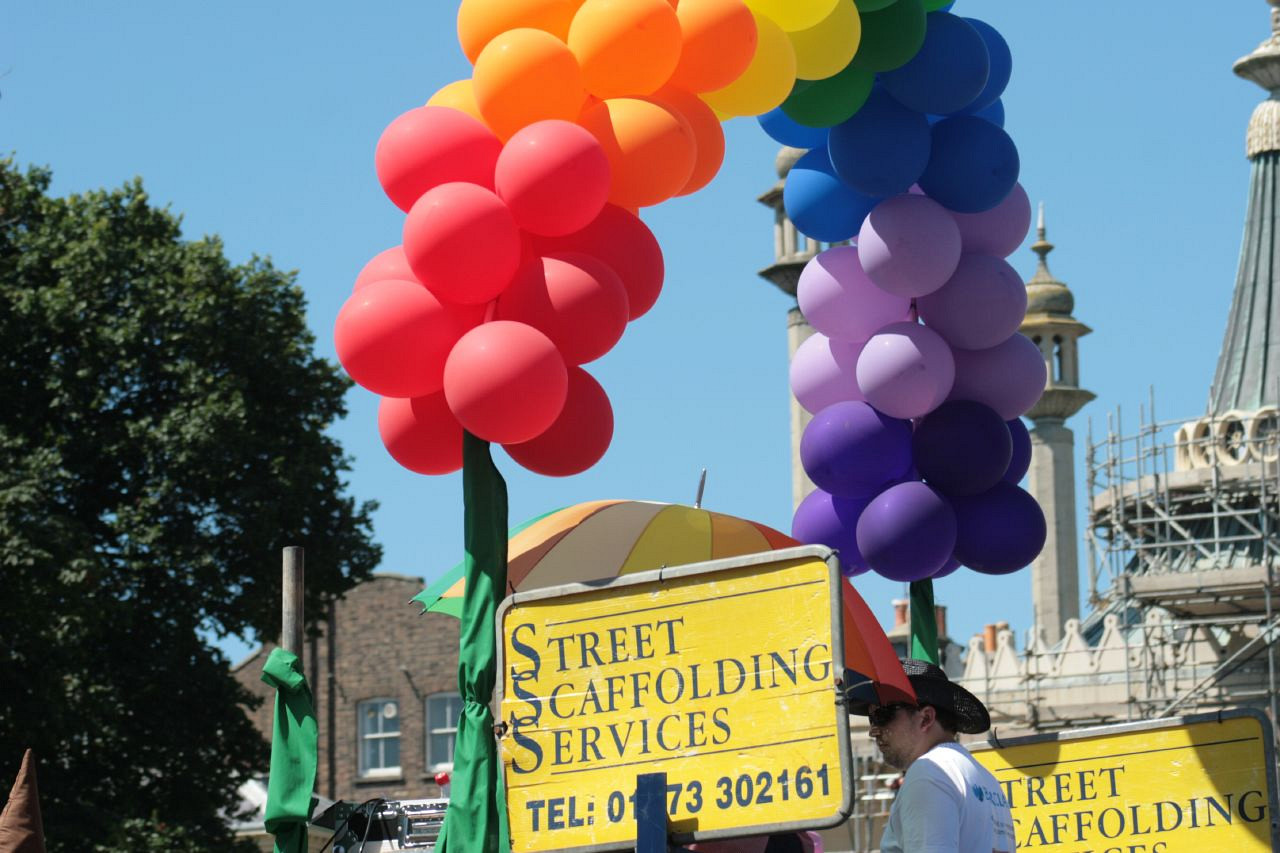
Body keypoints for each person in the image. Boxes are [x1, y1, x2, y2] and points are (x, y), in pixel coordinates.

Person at [846, 659, 1016, 852]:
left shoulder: (928, 772)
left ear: (926, 718)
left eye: (882, 715)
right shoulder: (987, 780)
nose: (873, 731)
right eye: (872, 719)